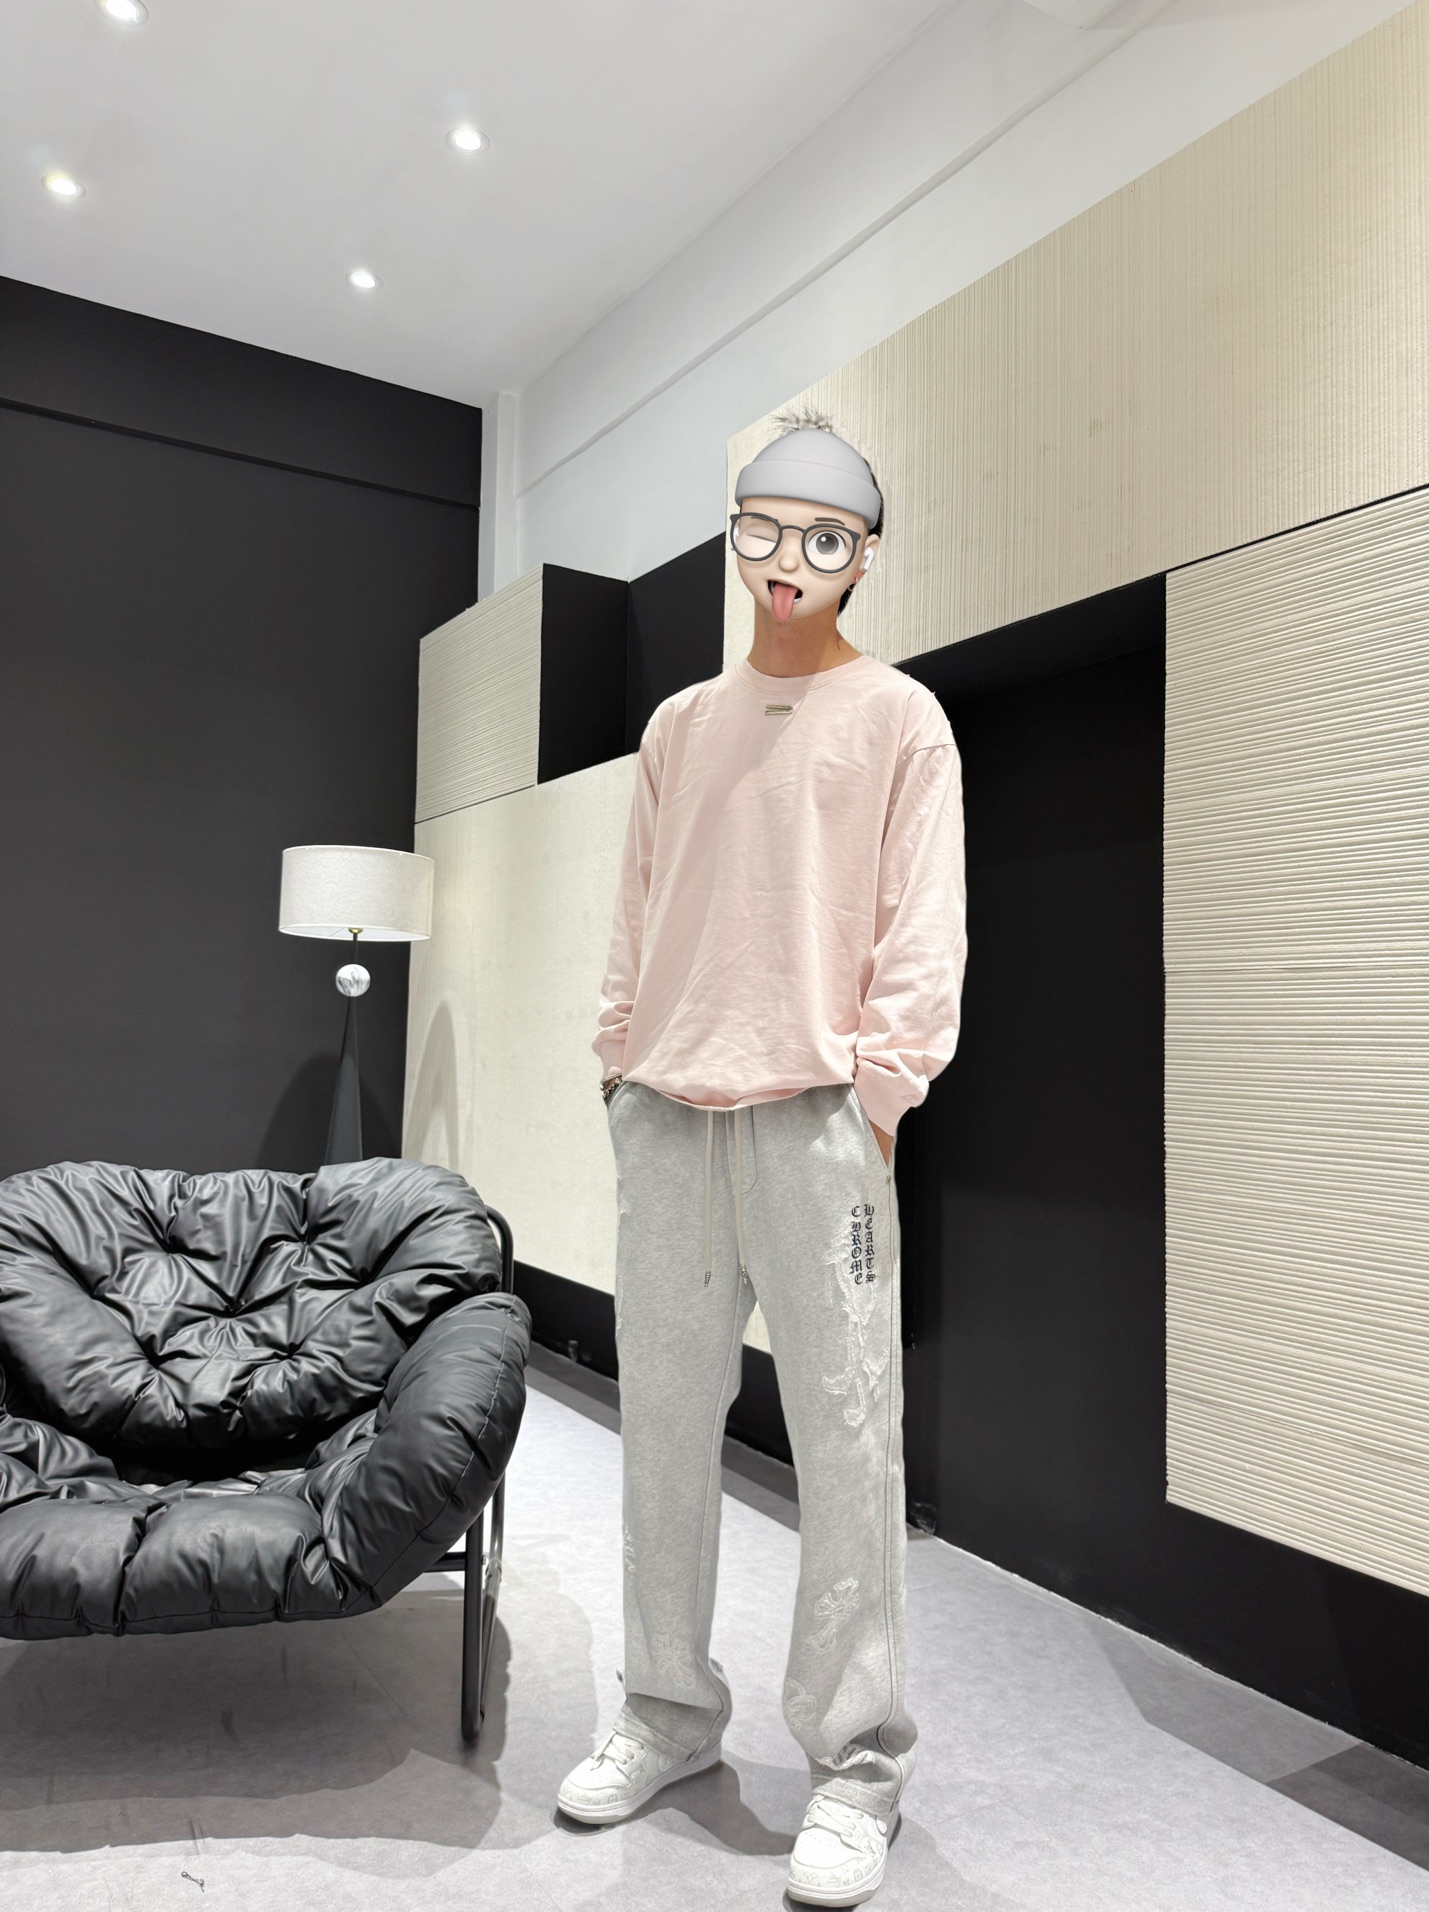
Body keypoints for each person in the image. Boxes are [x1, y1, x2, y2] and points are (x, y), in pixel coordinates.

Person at [557, 414, 967, 1908]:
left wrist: (880, 1094)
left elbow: (924, 926)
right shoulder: (679, 725)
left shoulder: (902, 719)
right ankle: (667, 1713)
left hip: (816, 1121)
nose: (788, 560)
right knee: (662, 1434)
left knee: (848, 1446)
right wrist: (619, 1062)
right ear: (733, 538)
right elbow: (636, 911)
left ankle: (857, 1768)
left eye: (822, 536)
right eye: (763, 528)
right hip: (668, 1114)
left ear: (864, 555)